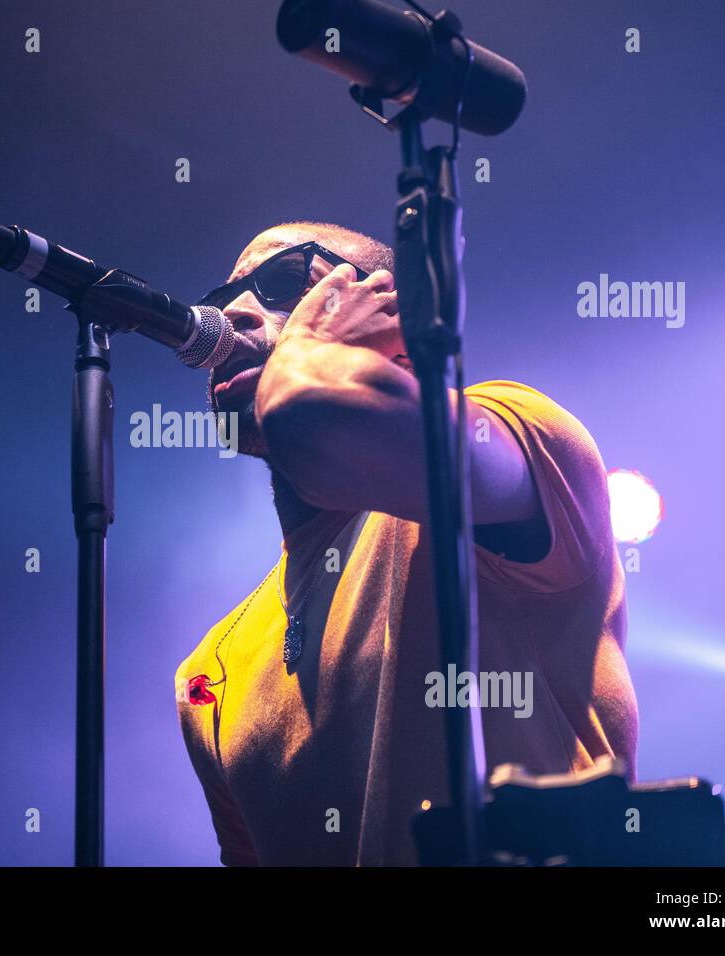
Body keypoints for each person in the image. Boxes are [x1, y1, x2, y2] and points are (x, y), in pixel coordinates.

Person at [174, 220, 638, 866]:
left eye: (280, 284)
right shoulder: (207, 673)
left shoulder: (516, 431)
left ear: (386, 305)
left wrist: (307, 351)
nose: (231, 317)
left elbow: (307, 416)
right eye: (222, 300)